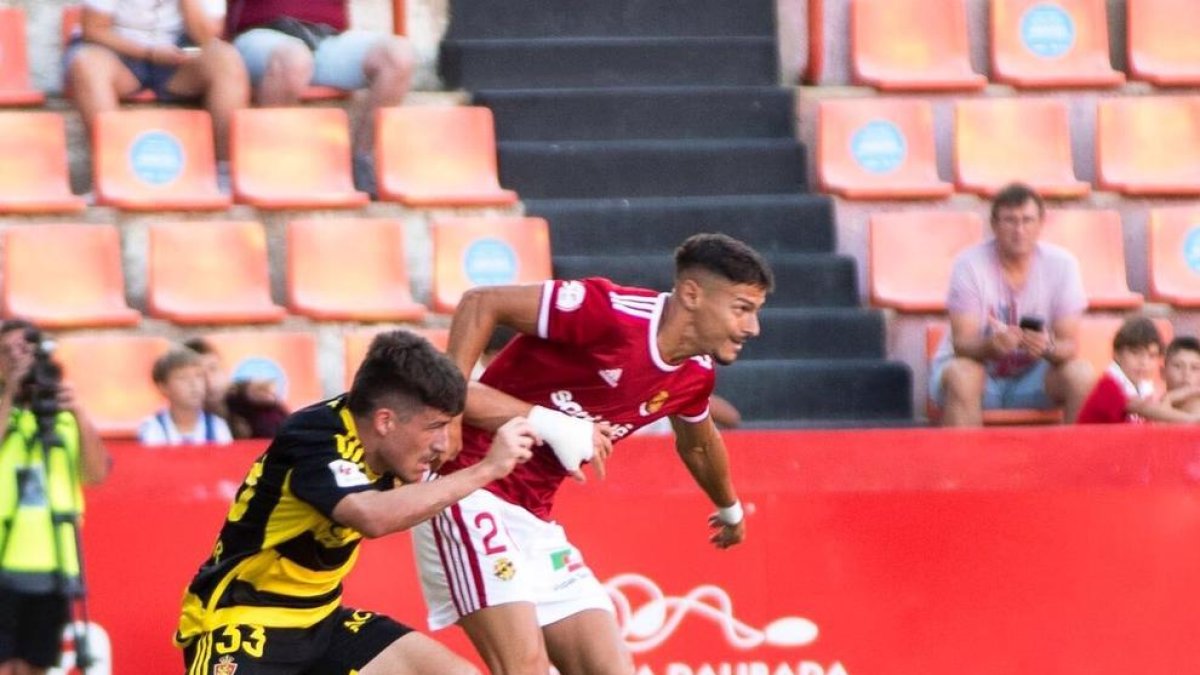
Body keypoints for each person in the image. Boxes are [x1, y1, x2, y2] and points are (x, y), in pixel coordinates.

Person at [412, 233, 773, 675]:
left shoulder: (694, 376)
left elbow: (698, 442)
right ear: (693, 294)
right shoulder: (611, 313)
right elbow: (481, 302)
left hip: (534, 517)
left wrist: (729, 507)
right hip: (467, 488)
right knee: (525, 668)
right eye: (742, 308)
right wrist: (450, 412)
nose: (752, 328)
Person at [175, 330, 535, 674]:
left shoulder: (395, 444)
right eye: (435, 426)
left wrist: (553, 423)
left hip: (322, 619)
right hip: (244, 619)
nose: (443, 443)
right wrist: (486, 469)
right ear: (385, 421)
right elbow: (371, 517)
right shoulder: (315, 436)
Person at [930, 182, 1095, 426]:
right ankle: (963, 464)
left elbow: (1069, 346)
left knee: (1082, 375)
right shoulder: (969, 265)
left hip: (1034, 375)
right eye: (1010, 221)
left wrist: (1046, 347)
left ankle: (1079, 463)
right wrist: (991, 346)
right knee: (963, 375)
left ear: (1040, 224)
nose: (1019, 230)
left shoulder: (1062, 265)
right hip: (980, 374)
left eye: (1027, 220)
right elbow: (962, 344)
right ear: (994, 225)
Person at [0, 320, 109, 675]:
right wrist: (10, 391)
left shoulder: (62, 416)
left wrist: (79, 412)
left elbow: (95, 474)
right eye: (9, 351)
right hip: (3, 557)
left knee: (35, 666)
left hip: (55, 562)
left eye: (27, 349)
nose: (20, 358)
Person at [223, 0, 415, 185]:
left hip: (327, 37)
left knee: (398, 55)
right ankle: (269, 165)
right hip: (262, 34)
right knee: (293, 61)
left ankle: (361, 162)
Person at [65, 0, 250, 162]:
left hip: (176, 53)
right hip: (116, 49)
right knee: (87, 64)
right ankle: (113, 170)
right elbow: (94, 29)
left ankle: (225, 171)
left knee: (227, 59)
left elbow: (207, 38)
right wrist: (150, 53)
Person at [1076, 317, 1199, 424]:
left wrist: (1175, 396)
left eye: (1151, 356)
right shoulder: (1110, 384)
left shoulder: (1143, 386)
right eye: (1136, 353)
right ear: (1117, 354)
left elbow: (1159, 408)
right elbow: (1142, 408)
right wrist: (1191, 419)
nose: (1144, 363)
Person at [138, 347, 234, 446]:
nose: (193, 384)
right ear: (163, 387)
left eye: (198, 376)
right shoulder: (153, 427)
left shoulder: (217, 426)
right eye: (183, 378)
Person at [1162, 336, 1200, 414]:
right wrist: (1168, 399)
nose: (1186, 374)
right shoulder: (1151, 408)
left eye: (1194, 368)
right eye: (1178, 366)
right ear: (1163, 372)